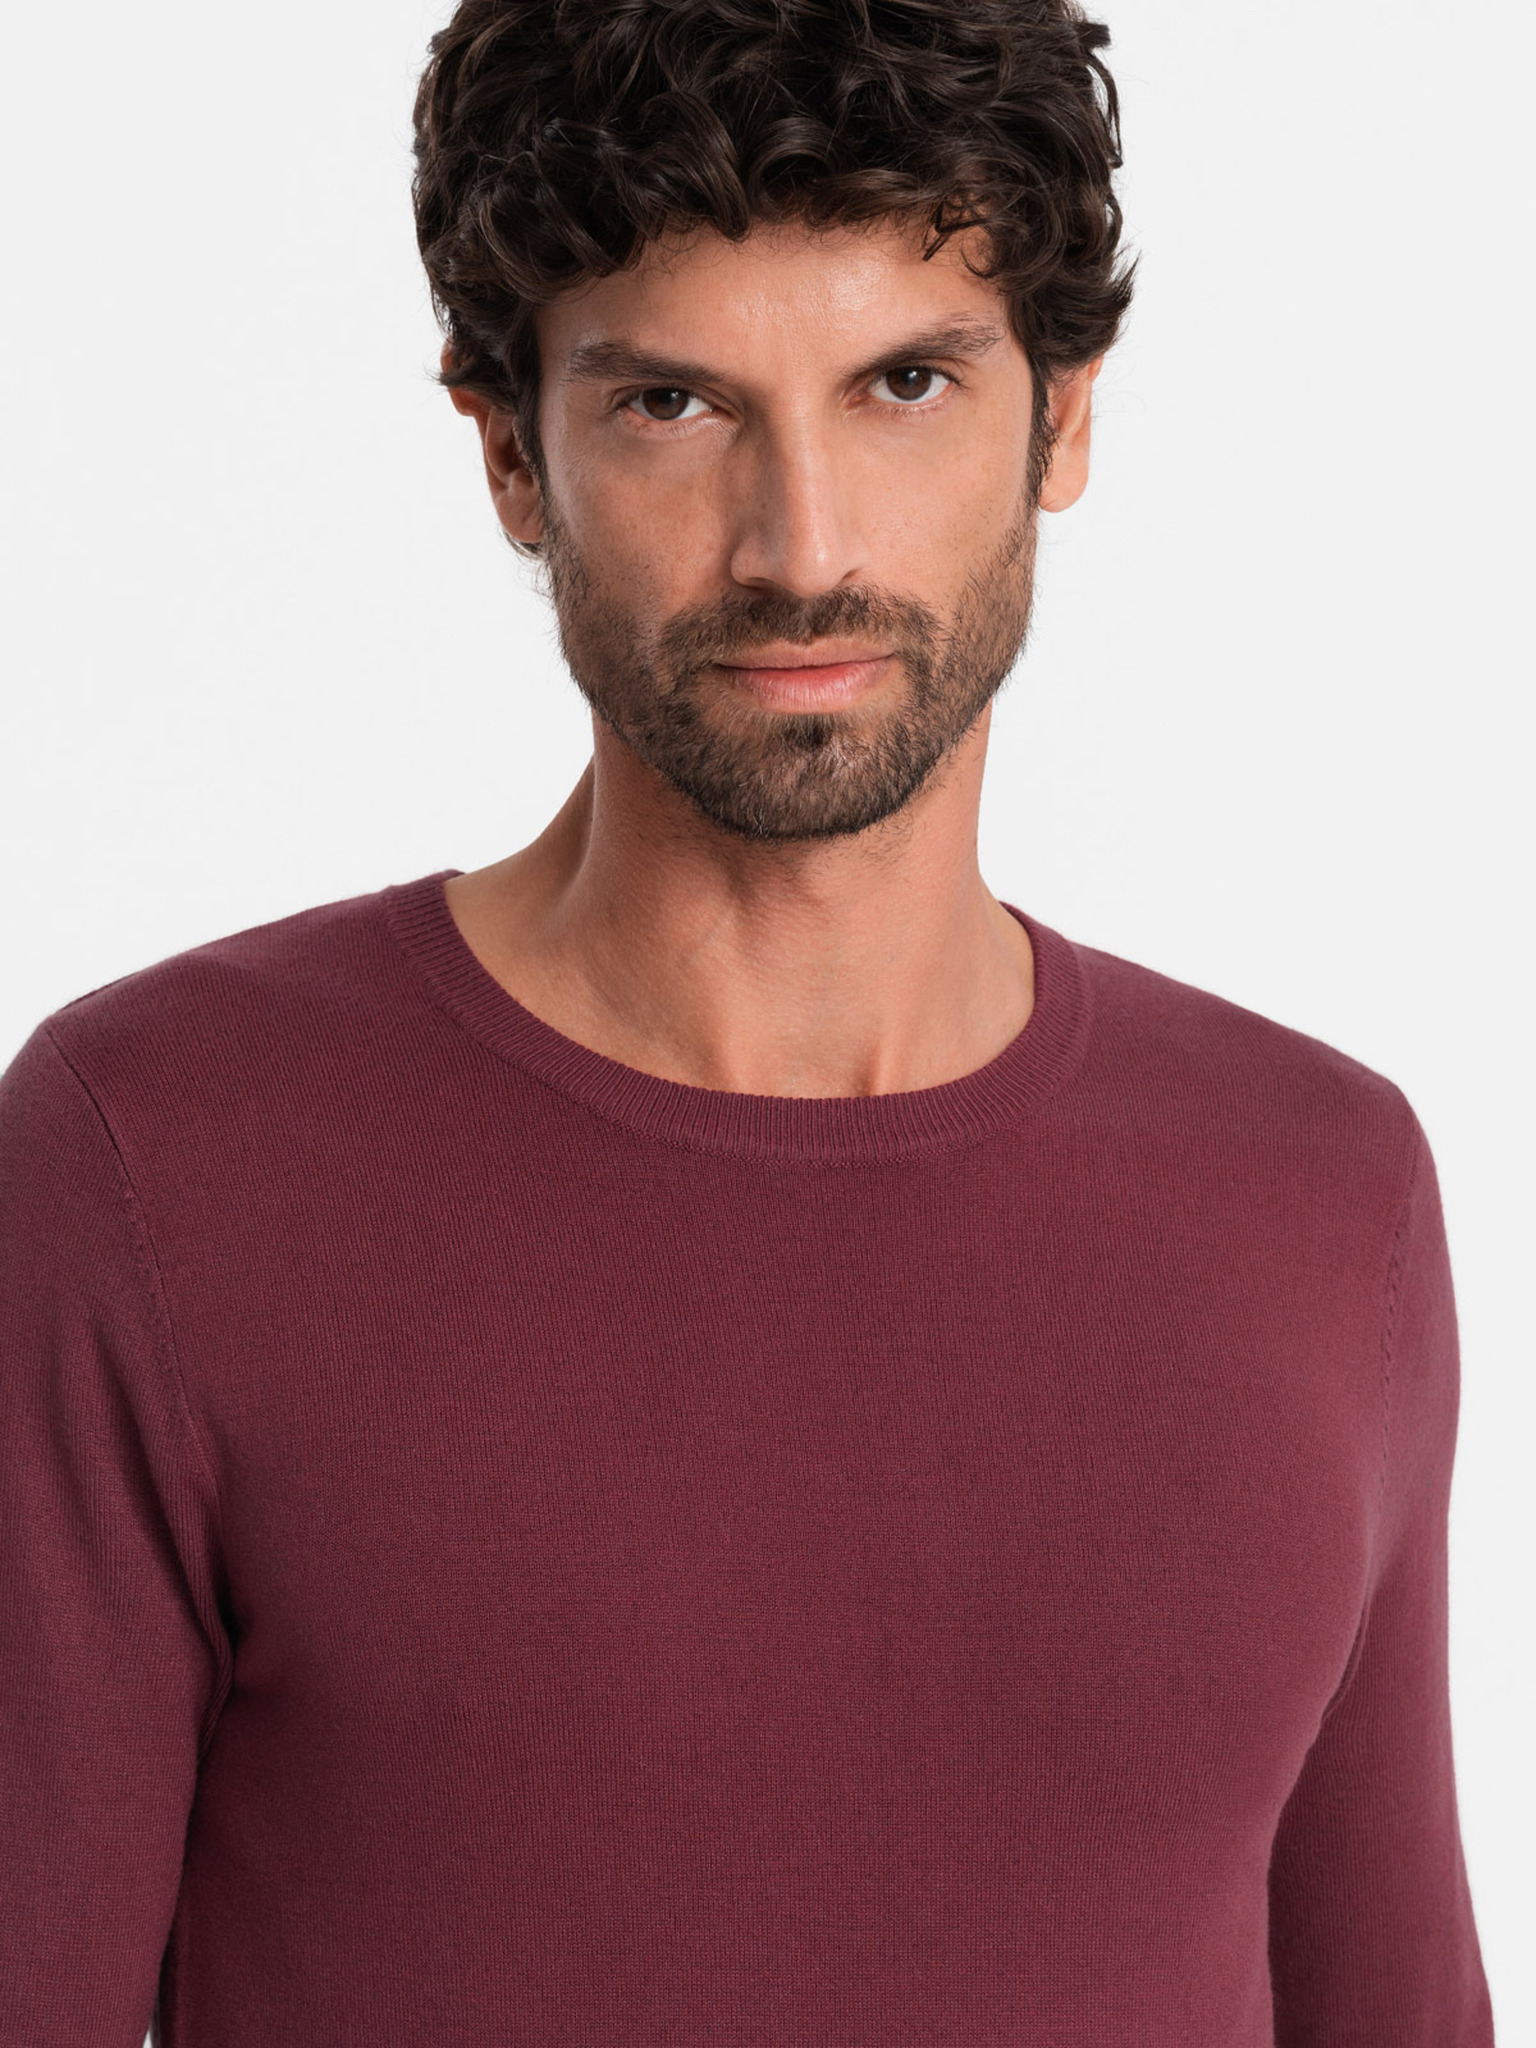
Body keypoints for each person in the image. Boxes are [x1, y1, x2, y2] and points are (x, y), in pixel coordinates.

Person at [0, 0, 1496, 2040]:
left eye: (905, 382)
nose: (804, 549)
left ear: (1061, 420)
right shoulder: (156, 1161)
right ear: (512, 454)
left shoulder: (1322, 1193)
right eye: (673, 405)